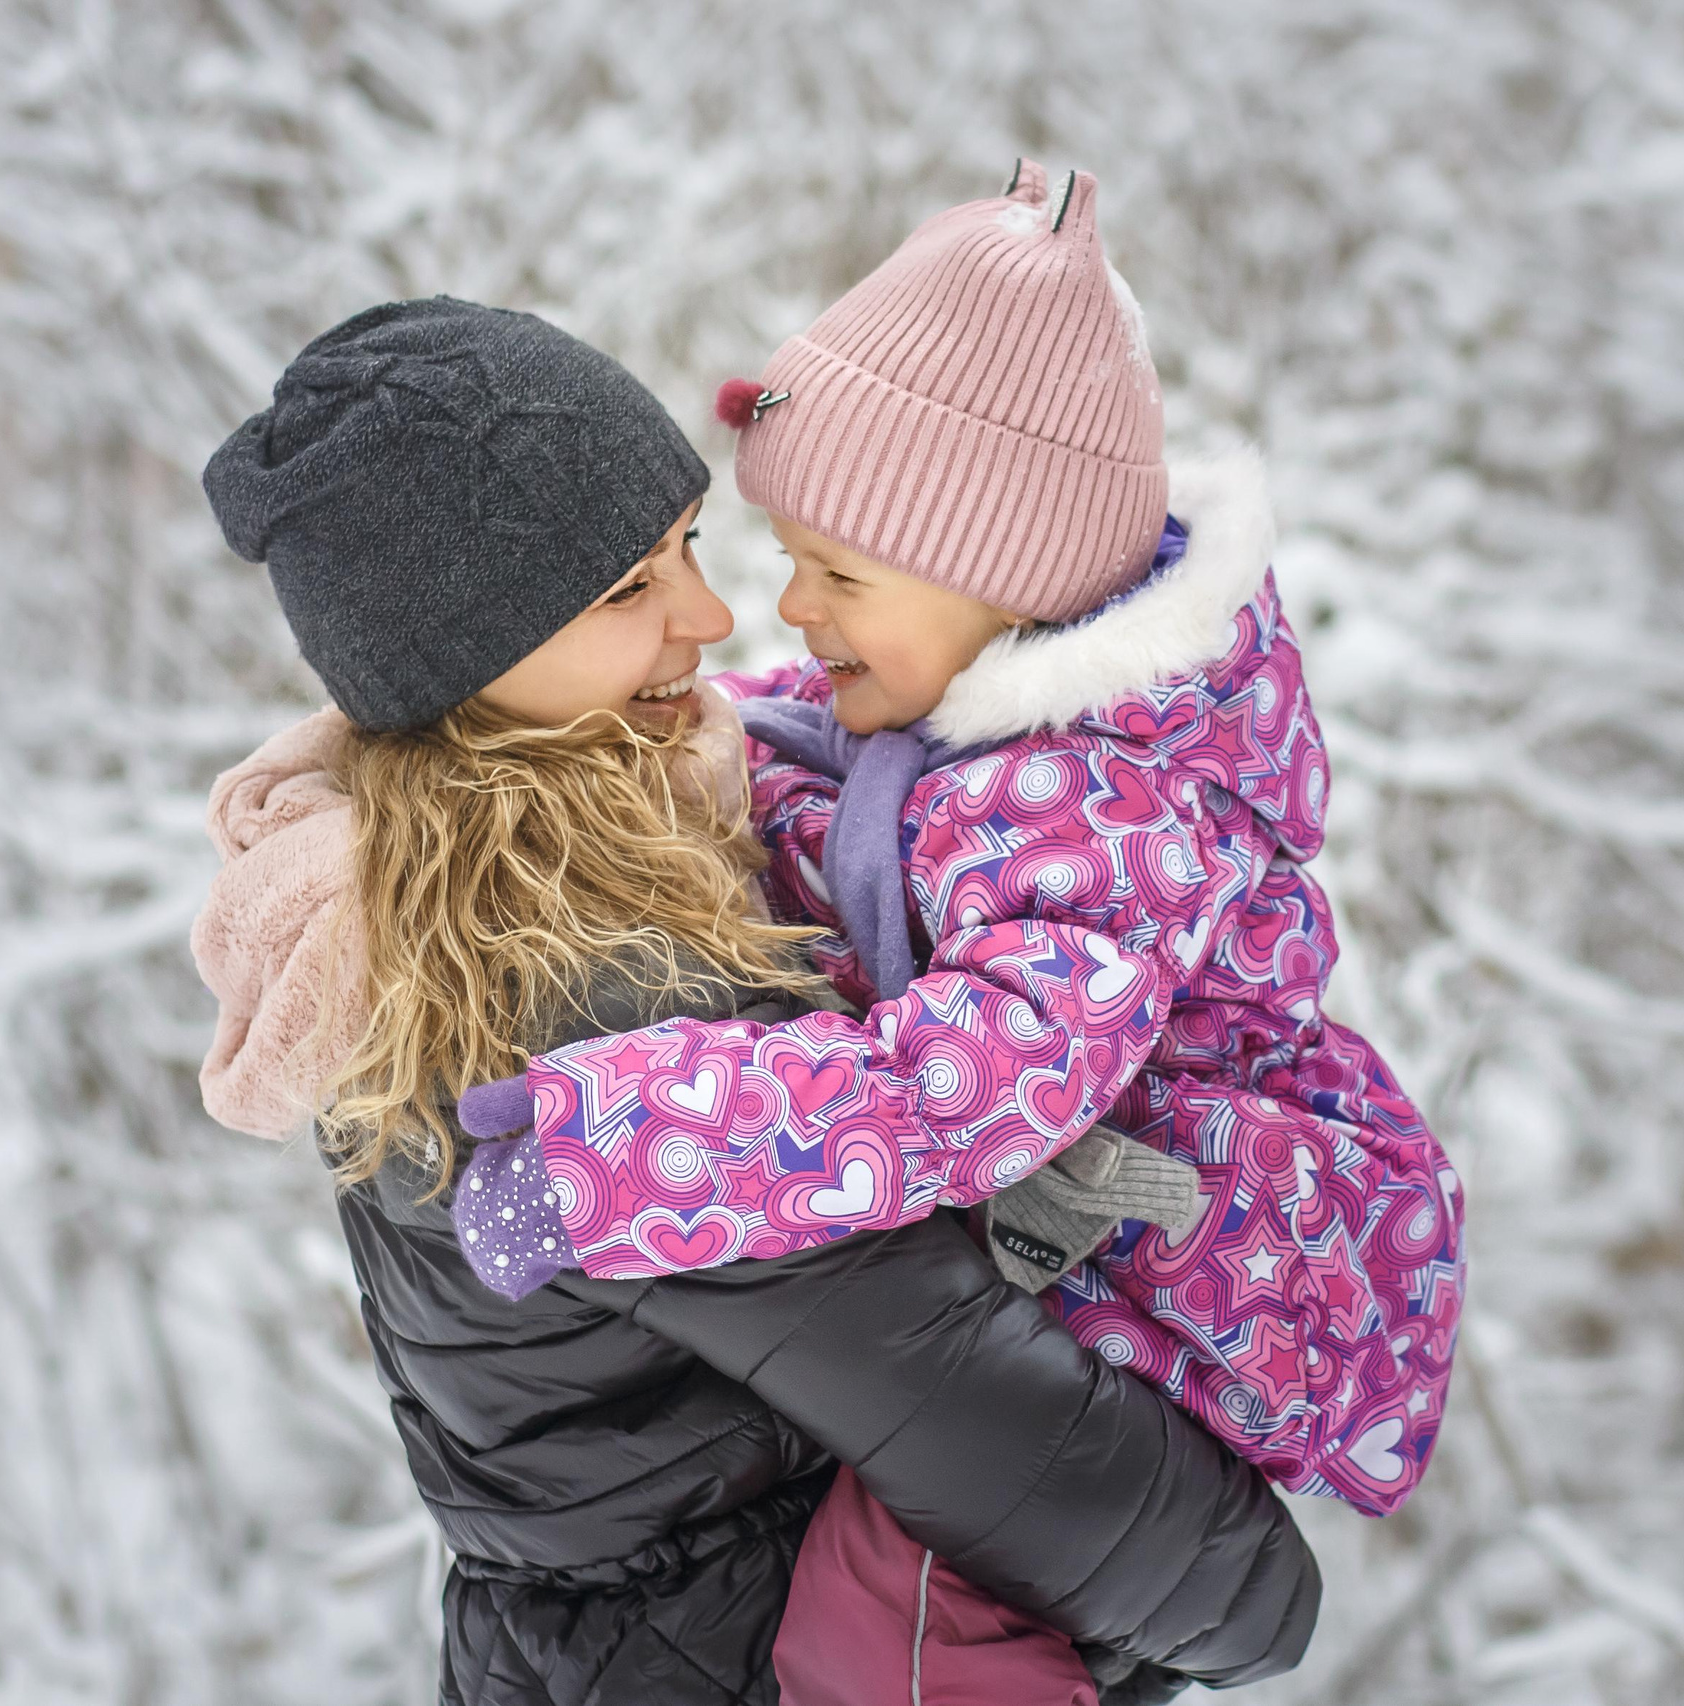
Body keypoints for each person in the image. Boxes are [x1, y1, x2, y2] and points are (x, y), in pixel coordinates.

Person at [190, 296, 1320, 1705]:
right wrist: (1253, 1589)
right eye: (628, 591)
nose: (711, 619)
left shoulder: (426, 892)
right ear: (468, 656)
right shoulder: (579, 975)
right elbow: (953, 1387)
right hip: (758, 1651)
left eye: (688, 548)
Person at [440, 167, 1465, 1703]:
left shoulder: (1107, 819)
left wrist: (622, 1152)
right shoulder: (964, 705)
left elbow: (948, 1092)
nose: (793, 606)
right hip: (1068, 1223)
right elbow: (815, 783)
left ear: (1002, 580)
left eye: (838, 574)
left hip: (1187, 1265)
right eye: (791, 555)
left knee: (895, 1616)